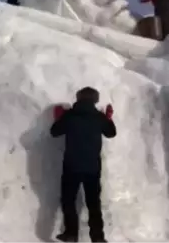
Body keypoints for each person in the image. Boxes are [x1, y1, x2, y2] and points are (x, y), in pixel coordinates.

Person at [50, 87, 117, 243]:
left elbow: (54, 132)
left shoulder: (70, 116)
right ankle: (98, 238)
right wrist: (108, 118)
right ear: (95, 100)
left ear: (78, 98)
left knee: (69, 200)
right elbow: (111, 133)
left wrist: (59, 118)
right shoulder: (99, 117)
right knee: (94, 204)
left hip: (71, 167)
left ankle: (71, 235)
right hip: (93, 168)